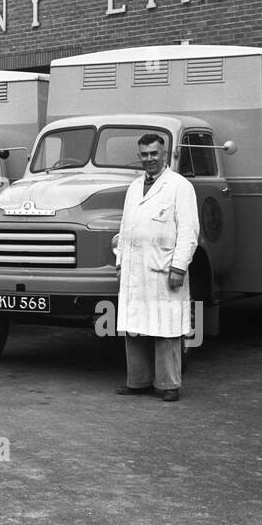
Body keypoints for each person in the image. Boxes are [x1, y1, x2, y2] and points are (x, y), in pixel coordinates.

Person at [114, 132, 199, 402]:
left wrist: (179, 267)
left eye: (154, 153)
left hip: (164, 266)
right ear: (139, 156)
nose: (149, 159)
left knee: (167, 327)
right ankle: (137, 382)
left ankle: (169, 384)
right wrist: (120, 262)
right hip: (135, 266)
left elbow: (189, 231)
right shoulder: (134, 187)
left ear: (165, 154)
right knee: (135, 325)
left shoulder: (180, 186)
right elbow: (125, 227)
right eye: (144, 154)